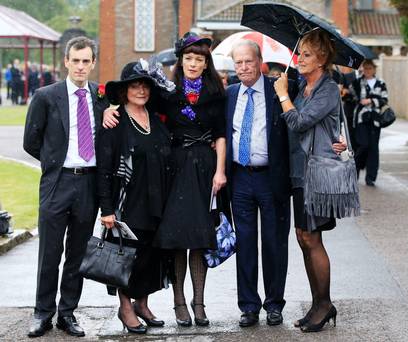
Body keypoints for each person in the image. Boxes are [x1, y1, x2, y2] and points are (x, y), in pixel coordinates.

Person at [103, 32, 227, 327]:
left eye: (199, 59)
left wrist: (220, 170)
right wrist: (107, 109)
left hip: (205, 169)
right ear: (180, 61)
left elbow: (221, 134)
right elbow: (135, 99)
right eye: (189, 58)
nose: (194, 63)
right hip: (175, 168)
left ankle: (199, 303)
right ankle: (179, 303)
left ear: (206, 62)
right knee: (175, 239)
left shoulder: (216, 91)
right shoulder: (167, 91)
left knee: (199, 238)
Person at [23, 36, 109, 338]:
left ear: (93, 63)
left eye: (87, 61)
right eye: (76, 60)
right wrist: (55, 162)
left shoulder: (101, 98)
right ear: (66, 62)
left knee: (77, 254)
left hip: (88, 183)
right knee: (49, 252)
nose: (81, 66)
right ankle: (42, 313)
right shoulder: (47, 96)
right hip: (57, 183)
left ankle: (67, 313)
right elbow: (30, 141)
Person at [98, 59, 175, 334]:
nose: (141, 90)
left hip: (158, 201)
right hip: (127, 203)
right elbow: (105, 170)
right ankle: (126, 307)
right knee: (127, 258)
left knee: (152, 256)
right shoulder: (115, 123)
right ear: (124, 90)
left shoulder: (156, 119)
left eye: (145, 85)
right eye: (135, 85)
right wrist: (106, 209)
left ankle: (142, 303)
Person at [274, 29, 343, 332]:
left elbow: (300, 123)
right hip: (299, 174)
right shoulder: (303, 85)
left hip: (317, 174)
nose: (299, 58)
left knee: (313, 239)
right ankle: (317, 304)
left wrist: (282, 96)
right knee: (303, 238)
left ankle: (325, 304)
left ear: (322, 59)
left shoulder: (326, 89)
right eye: (299, 53)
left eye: (307, 54)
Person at [226, 40, 294, 328]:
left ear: (260, 62)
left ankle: (274, 304)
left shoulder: (277, 90)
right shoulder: (229, 94)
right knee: (245, 243)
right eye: (238, 62)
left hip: (271, 178)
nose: (243, 67)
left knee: (274, 242)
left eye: (248, 62)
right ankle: (249, 306)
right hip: (240, 178)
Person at [352, 59, 388, 186]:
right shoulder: (357, 82)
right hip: (361, 118)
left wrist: (371, 101)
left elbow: (384, 99)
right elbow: (352, 96)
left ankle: (370, 177)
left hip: (375, 120)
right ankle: (355, 172)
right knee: (362, 145)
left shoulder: (381, 83)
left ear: (374, 69)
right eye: (365, 68)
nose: (367, 71)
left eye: (369, 68)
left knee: (373, 148)